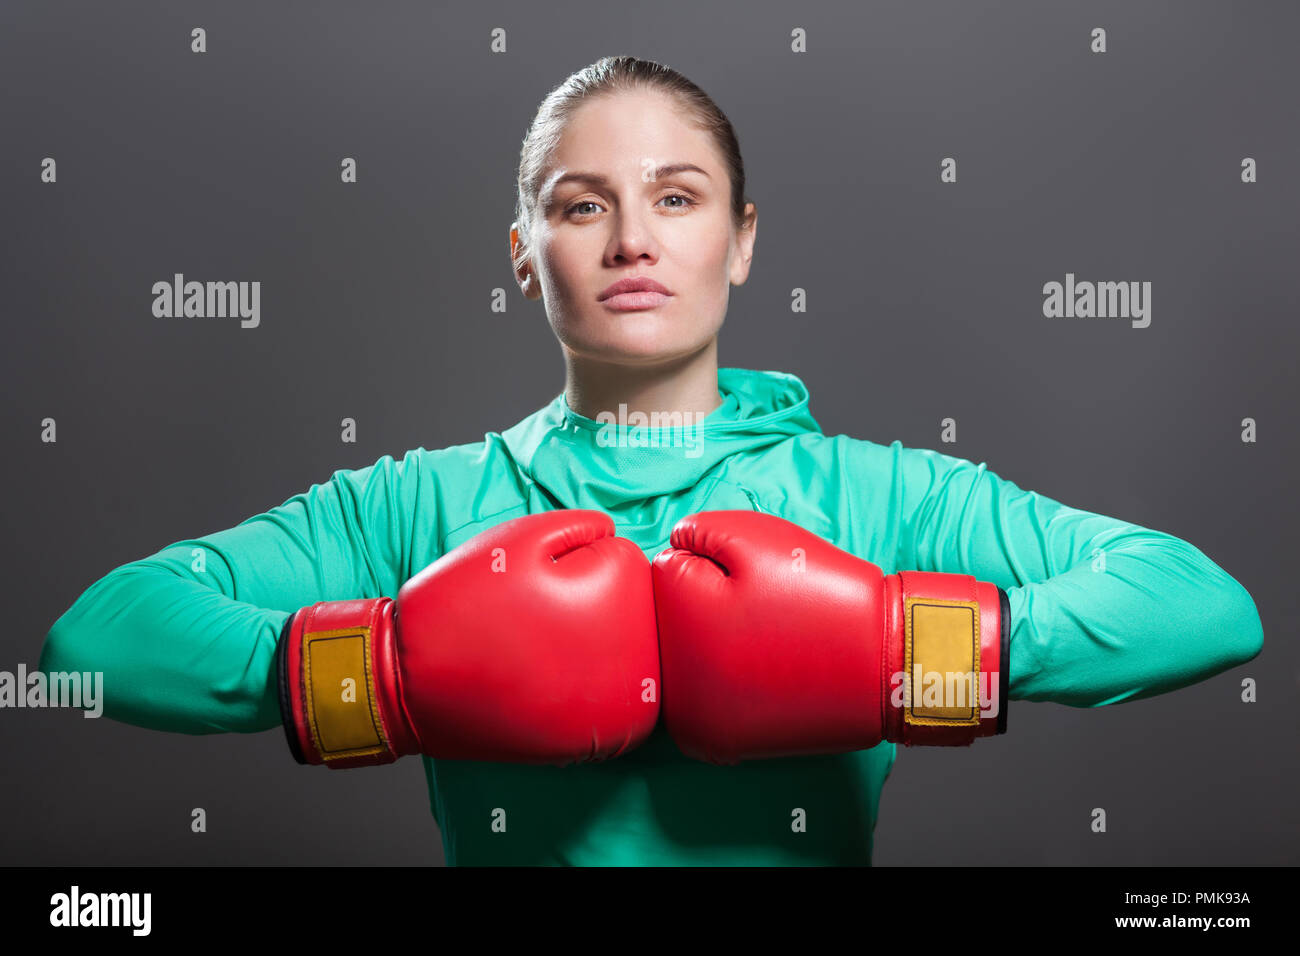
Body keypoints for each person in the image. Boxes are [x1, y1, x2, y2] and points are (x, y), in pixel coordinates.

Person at [39, 55, 1264, 866]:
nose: (631, 239)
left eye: (677, 199)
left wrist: (903, 650)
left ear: (740, 243)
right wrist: (391, 673)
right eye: (581, 206)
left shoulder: (880, 495)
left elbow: (1202, 602)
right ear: (524, 253)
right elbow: (94, 638)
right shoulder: (420, 502)